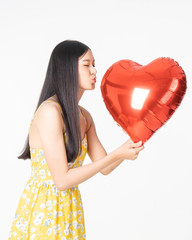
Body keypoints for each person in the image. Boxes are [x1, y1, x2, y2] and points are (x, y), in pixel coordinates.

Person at [8, 40, 144, 239]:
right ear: (67, 69)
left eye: (94, 64)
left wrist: (132, 142)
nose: (94, 71)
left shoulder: (84, 116)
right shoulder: (49, 112)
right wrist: (118, 153)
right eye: (86, 65)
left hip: (69, 208)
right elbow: (62, 180)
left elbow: (104, 167)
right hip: (44, 209)